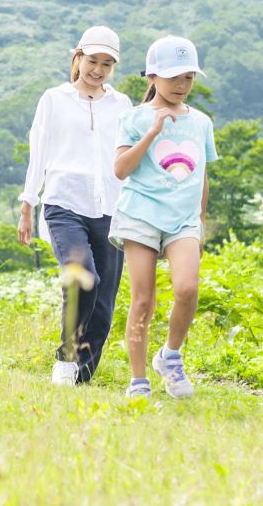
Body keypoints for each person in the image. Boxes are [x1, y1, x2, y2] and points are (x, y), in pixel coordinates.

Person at [18, 26, 134, 386]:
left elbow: (130, 158)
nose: (97, 69)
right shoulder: (54, 99)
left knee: (103, 303)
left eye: (106, 63)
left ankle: (79, 378)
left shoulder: (122, 104)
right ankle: (66, 359)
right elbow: (39, 150)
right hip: (62, 202)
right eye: (91, 60)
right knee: (84, 278)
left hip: (112, 207)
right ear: (77, 57)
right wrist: (28, 203)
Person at [110, 35, 217, 401]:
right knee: (143, 299)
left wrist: (199, 223)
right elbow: (121, 170)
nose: (182, 86)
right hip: (140, 215)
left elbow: (202, 175)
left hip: (183, 220)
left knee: (188, 289)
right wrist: (153, 131)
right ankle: (138, 380)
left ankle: (169, 355)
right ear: (152, 76)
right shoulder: (133, 118)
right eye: (174, 78)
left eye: (188, 77)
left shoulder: (201, 122)